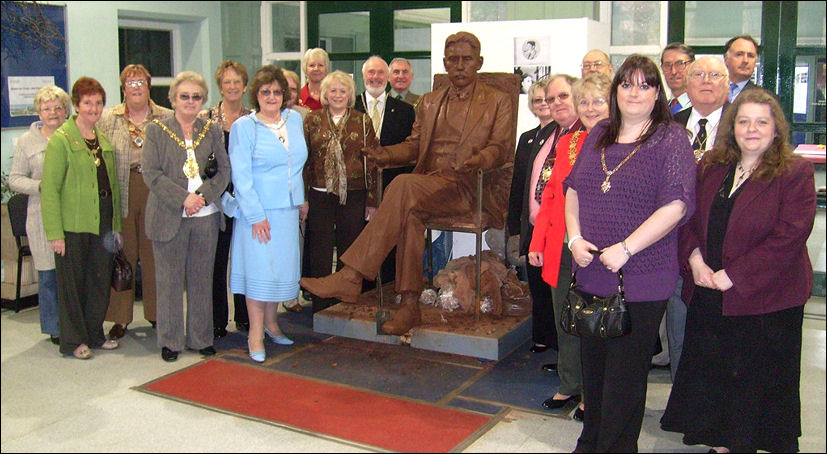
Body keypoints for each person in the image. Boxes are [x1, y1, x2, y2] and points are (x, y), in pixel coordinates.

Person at [300, 31, 513, 335]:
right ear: (444, 63)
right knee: (409, 213)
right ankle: (410, 305)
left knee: (402, 186)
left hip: (469, 186)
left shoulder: (498, 101)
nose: (460, 65)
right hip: (431, 185)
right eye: (453, 60)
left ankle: (352, 274)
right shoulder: (429, 102)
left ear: (479, 62)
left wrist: (479, 159)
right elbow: (414, 146)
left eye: (467, 59)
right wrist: (381, 155)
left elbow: (502, 148)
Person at [661, 89, 815, 454]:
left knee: (755, 379)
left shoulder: (795, 171)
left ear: (776, 129)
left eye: (762, 122)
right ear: (732, 127)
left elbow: (790, 236)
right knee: (715, 373)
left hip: (767, 301)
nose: (752, 129)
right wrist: (695, 259)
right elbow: (689, 220)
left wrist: (736, 276)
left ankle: (745, 441)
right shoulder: (712, 166)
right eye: (743, 121)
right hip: (711, 292)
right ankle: (722, 442)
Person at [563, 55, 695, 452]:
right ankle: (590, 445)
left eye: (644, 84)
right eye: (627, 84)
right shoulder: (600, 131)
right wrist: (574, 238)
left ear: (657, 93)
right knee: (596, 371)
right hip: (591, 271)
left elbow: (677, 205)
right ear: (615, 90)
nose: (634, 92)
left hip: (641, 276)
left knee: (624, 378)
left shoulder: (671, 138)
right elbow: (574, 190)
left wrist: (625, 248)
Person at [528, 73, 612, 422]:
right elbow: (551, 196)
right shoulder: (568, 142)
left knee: (596, 326)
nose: (590, 108)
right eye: (585, 102)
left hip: (602, 249)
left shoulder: (623, 143)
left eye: (598, 101)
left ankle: (595, 395)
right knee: (566, 318)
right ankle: (571, 382)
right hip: (563, 245)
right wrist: (538, 242)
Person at [142, 71, 230, 362]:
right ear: (173, 99)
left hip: (205, 216)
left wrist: (202, 197)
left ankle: (200, 337)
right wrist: (184, 199)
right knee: (168, 282)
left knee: (201, 280)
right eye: (184, 96)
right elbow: (151, 173)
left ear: (203, 100)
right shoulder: (156, 130)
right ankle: (170, 341)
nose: (190, 101)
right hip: (169, 215)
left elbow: (224, 172)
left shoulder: (212, 130)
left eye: (196, 97)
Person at [228, 65, 308, 362]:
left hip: (287, 210)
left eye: (277, 91)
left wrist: (301, 200)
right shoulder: (244, 127)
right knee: (259, 273)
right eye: (265, 92)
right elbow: (242, 176)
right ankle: (256, 334)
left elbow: (297, 164)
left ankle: (274, 324)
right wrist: (256, 214)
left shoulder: (295, 120)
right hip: (258, 213)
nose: (272, 97)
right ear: (256, 95)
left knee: (279, 270)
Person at [41, 77, 122, 359]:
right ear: (76, 105)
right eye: (88, 102)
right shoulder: (62, 140)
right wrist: (55, 234)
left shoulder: (103, 139)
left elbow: (113, 185)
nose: (94, 108)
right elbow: (50, 190)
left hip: (102, 222)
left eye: (98, 102)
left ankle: (95, 334)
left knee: (98, 282)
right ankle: (74, 340)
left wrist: (116, 226)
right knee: (73, 285)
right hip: (73, 225)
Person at [661, 56, 731, 377]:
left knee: (720, 338)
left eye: (715, 75)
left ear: (727, 84)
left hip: (725, 246)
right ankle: (680, 402)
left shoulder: (742, 124)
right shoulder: (668, 127)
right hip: (675, 243)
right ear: (687, 85)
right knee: (679, 327)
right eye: (699, 74)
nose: (706, 80)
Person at [98, 64, 173, 341]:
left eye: (141, 82)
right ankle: (120, 318)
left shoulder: (166, 116)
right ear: (122, 88)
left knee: (155, 255)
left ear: (149, 86)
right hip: (123, 189)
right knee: (124, 255)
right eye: (130, 83)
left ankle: (156, 313)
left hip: (156, 190)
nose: (136, 87)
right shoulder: (108, 119)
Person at [515, 75, 583, 359]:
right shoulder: (552, 134)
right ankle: (563, 362)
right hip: (543, 227)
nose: (555, 103)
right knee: (550, 300)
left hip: (571, 236)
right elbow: (533, 183)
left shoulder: (585, 136)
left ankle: (571, 372)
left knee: (568, 307)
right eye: (550, 99)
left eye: (562, 97)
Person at [303, 70, 379, 313]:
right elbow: (304, 161)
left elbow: (373, 162)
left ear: (350, 96)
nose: (337, 95)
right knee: (320, 248)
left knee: (350, 247)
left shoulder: (362, 121)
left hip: (354, 193)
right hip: (319, 192)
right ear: (325, 94)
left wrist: (373, 200)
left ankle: (344, 301)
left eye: (343, 91)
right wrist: (303, 198)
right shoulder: (312, 120)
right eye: (333, 90)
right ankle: (320, 302)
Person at [9, 85, 72, 346]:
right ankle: (54, 327)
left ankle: (74, 323)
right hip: (40, 216)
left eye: (58, 107)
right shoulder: (27, 142)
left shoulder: (75, 135)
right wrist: (40, 186)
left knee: (71, 274)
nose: (53, 113)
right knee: (48, 274)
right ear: (38, 111)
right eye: (47, 108)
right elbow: (14, 180)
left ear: (65, 110)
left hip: (72, 214)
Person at [198, 60, 252, 337]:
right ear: (220, 87)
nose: (232, 86)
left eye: (236, 81)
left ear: (244, 86)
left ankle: (245, 317)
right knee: (216, 261)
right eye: (226, 82)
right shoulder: (206, 119)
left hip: (245, 198)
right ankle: (217, 320)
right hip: (216, 199)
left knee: (244, 259)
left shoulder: (253, 118)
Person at [354, 56, 416, 285]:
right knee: (361, 239)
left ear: (387, 77)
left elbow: (411, 152)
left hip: (391, 187)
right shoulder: (352, 106)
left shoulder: (405, 111)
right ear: (363, 76)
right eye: (371, 73)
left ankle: (388, 286)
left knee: (390, 240)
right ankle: (361, 288)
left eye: (380, 73)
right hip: (358, 188)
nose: (376, 77)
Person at [506, 78, 554, 354]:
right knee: (535, 281)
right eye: (537, 101)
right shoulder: (526, 138)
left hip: (552, 221)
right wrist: (514, 223)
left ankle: (555, 338)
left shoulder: (562, 137)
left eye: (547, 99)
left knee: (551, 282)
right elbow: (518, 183)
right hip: (529, 221)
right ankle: (541, 336)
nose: (543, 105)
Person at [661, 42, 695, 114]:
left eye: (680, 64)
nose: (673, 71)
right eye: (667, 65)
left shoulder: (702, 108)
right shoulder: (660, 110)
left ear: (693, 67)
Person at [724, 35, 760, 101]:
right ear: (726, 59)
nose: (745, 60)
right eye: (739, 54)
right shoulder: (712, 92)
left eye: (750, 56)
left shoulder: (764, 98)